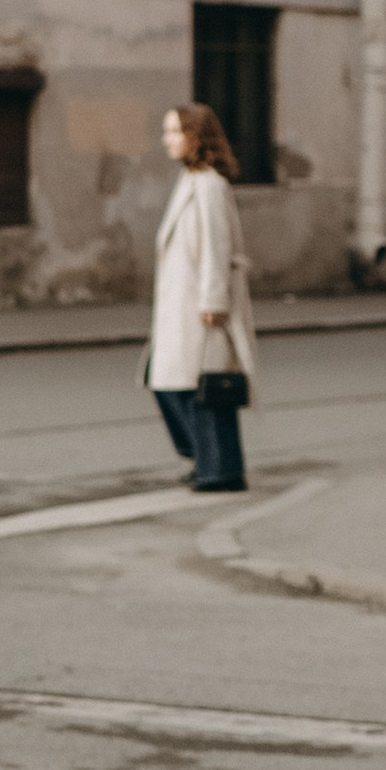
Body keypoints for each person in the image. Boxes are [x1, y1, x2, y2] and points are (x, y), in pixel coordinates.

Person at [147, 103, 255, 493]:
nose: (167, 140)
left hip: (199, 305)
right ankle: (208, 460)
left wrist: (213, 301)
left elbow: (217, 246)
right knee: (174, 384)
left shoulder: (209, 184)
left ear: (196, 136)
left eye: (174, 132)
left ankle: (220, 469)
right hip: (180, 303)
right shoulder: (191, 179)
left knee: (205, 387)